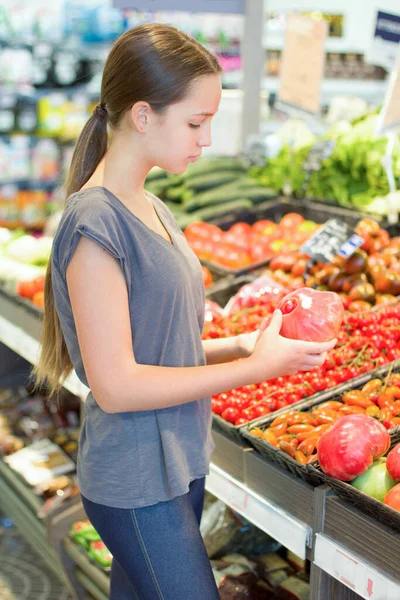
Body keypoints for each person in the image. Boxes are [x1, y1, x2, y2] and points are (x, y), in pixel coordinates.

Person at [34, 23, 336, 600]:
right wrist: (257, 369)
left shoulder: (150, 206)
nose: (207, 140)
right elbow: (118, 385)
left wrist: (242, 345)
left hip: (177, 464)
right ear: (143, 116)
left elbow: (160, 353)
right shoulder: (95, 225)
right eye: (197, 122)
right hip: (136, 480)